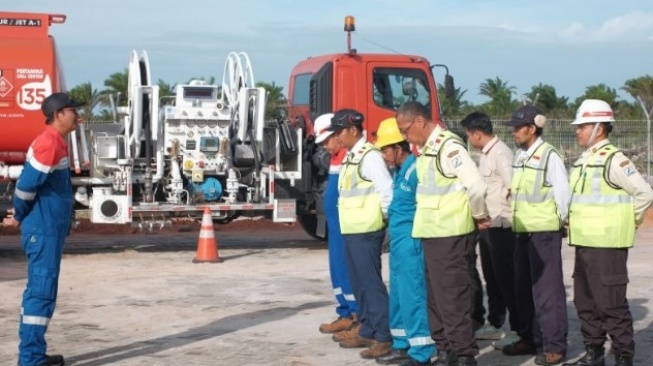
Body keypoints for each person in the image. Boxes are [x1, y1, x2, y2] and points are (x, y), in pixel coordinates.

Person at [396, 101, 490, 366]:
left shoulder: (449, 147)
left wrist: (479, 214)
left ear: (419, 122)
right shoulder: (427, 151)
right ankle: (446, 351)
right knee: (436, 300)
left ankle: (463, 355)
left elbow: (476, 186)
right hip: (432, 234)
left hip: (451, 234)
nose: (405, 136)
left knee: (453, 299)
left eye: (405, 130)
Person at [562, 100, 653, 366]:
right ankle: (594, 354)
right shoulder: (583, 160)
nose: (577, 131)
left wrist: (629, 221)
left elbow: (645, 194)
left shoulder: (614, 160)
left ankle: (624, 356)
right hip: (584, 242)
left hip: (607, 244)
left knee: (610, 304)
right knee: (585, 302)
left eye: (582, 126)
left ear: (599, 128)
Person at [2, 92, 82, 366]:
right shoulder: (49, 143)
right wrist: (19, 214)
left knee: (42, 291)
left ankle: (34, 354)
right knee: (41, 292)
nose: (77, 116)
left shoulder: (56, 142)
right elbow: (26, 186)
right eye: (73, 110)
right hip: (43, 229)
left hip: (48, 228)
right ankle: (30, 360)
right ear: (59, 113)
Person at [502, 105, 569, 366]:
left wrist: (561, 222)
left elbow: (562, 193)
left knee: (547, 293)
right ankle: (530, 338)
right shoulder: (521, 156)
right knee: (524, 291)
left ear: (533, 128)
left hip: (543, 234)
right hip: (522, 232)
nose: (514, 132)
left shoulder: (548, 155)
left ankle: (554, 346)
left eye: (518, 128)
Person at [327, 109, 394, 359]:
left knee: (371, 285)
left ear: (353, 130)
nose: (337, 137)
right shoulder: (352, 156)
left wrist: (387, 225)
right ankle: (367, 327)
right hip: (353, 230)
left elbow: (386, 191)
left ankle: (383, 335)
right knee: (359, 285)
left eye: (339, 132)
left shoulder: (370, 157)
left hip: (367, 231)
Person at [373, 117, 435, 366]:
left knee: (413, 296)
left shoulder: (416, 169)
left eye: (386, 150)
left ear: (399, 147)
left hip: (411, 242)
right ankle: (402, 344)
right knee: (398, 295)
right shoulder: (400, 172)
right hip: (398, 243)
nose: (384, 156)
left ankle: (421, 353)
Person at [460, 112, 520, 349]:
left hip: (502, 225)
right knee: (492, 279)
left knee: (507, 280)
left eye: (468, 135)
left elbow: (513, 186)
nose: (469, 139)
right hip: (488, 225)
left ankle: (518, 328)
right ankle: (495, 324)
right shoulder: (485, 154)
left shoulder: (500, 153)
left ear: (476, 133)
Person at [313, 113, 360, 334]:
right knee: (336, 270)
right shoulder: (334, 159)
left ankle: (356, 315)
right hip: (335, 227)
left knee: (346, 270)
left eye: (326, 141)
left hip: (346, 226)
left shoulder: (350, 158)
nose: (325, 146)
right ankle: (344, 311)